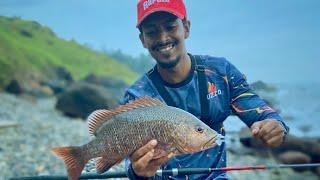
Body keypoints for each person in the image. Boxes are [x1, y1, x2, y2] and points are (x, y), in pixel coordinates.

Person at [121, 0, 289, 179]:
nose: (163, 38)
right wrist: (137, 172)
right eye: (152, 32)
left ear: (186, 28)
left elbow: (262, 113)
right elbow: (127, 159)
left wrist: (275, 125)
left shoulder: (221, 72)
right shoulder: (136, 96)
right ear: (143, 40)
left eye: (170, 27)